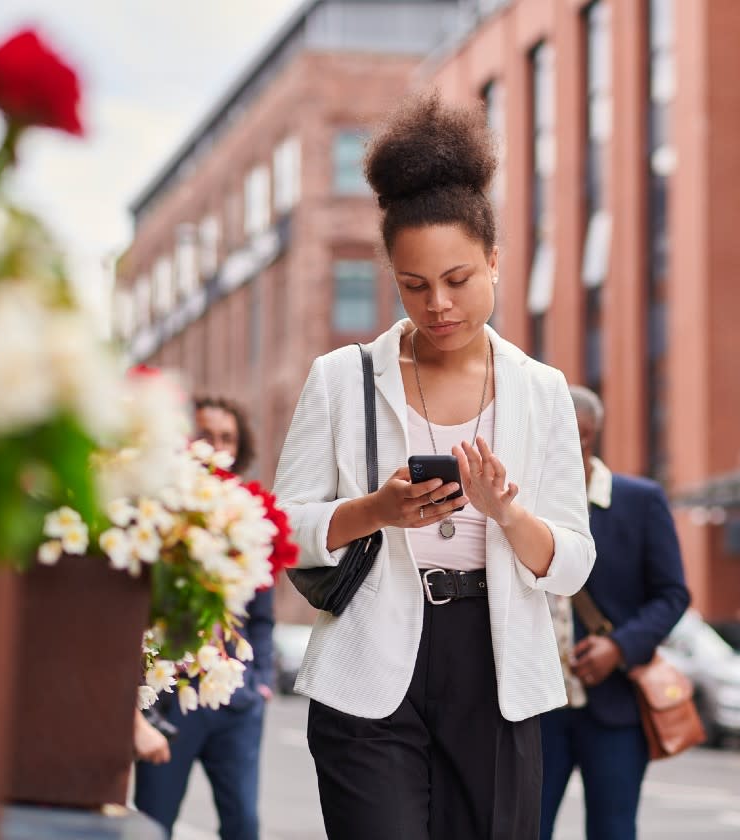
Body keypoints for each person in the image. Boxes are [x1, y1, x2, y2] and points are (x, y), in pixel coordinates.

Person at [273, 92, 595, 840]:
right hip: (369, 669)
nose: (439, 304)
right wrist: (374, 513)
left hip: (498, 668)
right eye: (414, 286)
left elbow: (573, 561)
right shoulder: (340, 378)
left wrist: (507, 512)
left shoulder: (542, 393)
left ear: (493, 260)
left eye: (458, 279)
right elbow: (282, 528)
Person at [539, 386, 691, 840]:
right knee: (522, 827)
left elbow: (673, 595)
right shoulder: (518, 504)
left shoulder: (640, 501)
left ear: (593, 434)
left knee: (613, 829)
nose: (569, 447)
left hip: (615, 705)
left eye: (579, 437)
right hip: (534, 705)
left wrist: (619, 647)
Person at [133, 396, 275, 840]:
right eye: (205, 435)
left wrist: (261, 679)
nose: (216, 446)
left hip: (236, 703)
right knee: (153, 823)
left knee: (244, 825)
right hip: (172, 703)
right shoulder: (160, 513)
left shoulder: (249, 520)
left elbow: (262, 618)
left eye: (227, 438)